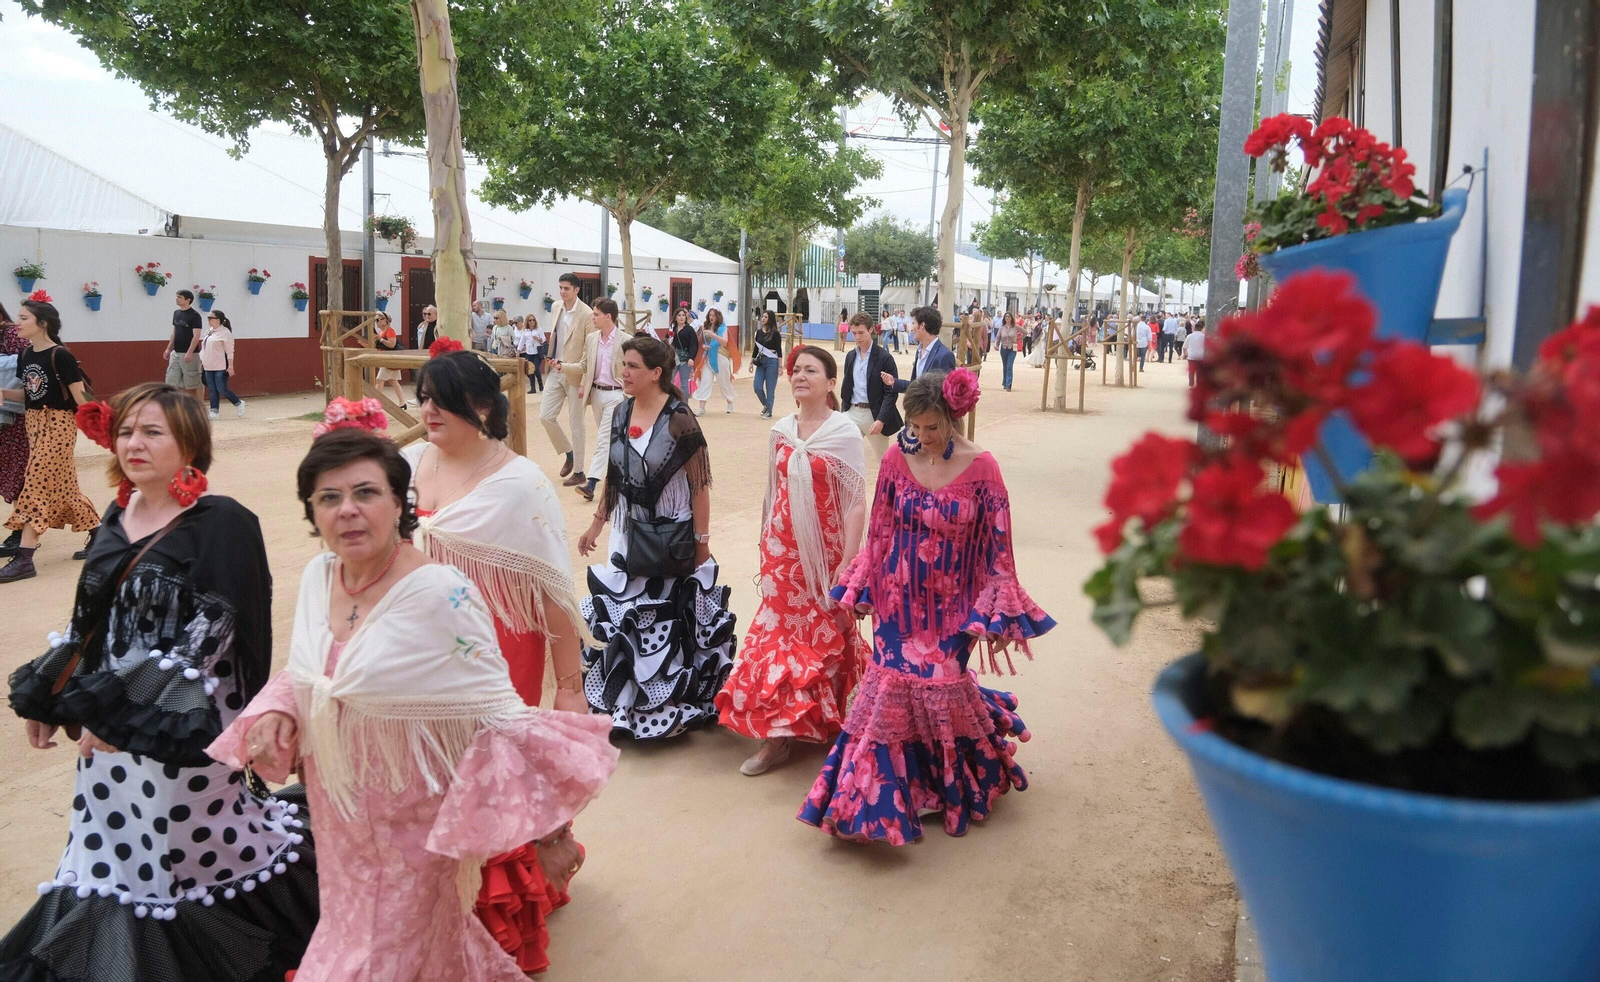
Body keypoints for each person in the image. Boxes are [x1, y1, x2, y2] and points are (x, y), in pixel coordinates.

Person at [208, 427, 617, 982]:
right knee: (408, 949)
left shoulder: (442, 593)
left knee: (376, 959)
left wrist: (550, 833)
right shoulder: (317, 577)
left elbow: (497, 712)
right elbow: (310, 670)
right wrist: (281, 710)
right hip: (340, 818)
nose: (347, 510)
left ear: (399, 503)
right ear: (311, 510)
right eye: (329, 498)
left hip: (415, 829)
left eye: (366, 493)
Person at [3, 382, 316, 978]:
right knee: (113, 851)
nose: (133, 443)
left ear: (190, 444)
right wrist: (49, 699)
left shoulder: (221, 520)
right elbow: (87, 620)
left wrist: (124, 716)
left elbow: (211, 632)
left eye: (152, 432)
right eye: (125, 431)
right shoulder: (119, 515)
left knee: (180, 850)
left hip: (182, 722)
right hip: (111, 717)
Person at [800, 369, 1055, 844]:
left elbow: (999, 549)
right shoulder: (898, 455)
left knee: (942, 684)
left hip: (954, 606)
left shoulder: (984, 467)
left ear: (954, 417)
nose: (922, 436)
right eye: (914, 426)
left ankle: (943, 785)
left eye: (932, 427)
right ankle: (875, 802)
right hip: (898, 600)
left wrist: (995, 613)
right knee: (891, 694)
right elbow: (879, 531)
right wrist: (863, 587)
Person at [402, 353, 596, 974]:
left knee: (485, 774)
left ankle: (510, 893)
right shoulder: (406, 463)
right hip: (417, 651)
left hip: (494, 651)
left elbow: (552, 593)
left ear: (481, 406)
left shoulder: (521, 483)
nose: (426, 409)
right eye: (423, 396)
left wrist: (569, 687)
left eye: (441, 398)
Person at [716, 345, 869, 775]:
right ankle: (776, 738)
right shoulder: (781, 430)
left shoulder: (845, 432)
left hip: (826, 557)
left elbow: (856, 501)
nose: (800, 376)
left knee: (828, 634)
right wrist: (766, 539)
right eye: (795, 370)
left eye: (811, 370)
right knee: (779, 637)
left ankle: (837, 718)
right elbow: (773, 490)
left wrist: (850, 559)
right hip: (783, 554)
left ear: (831, 382)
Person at [576, 336, 736, 739]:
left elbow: (699, 485)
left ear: (656, 373)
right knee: (627, 615)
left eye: (631, 366)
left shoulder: (681, 417)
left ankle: (673, 703)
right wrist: (598, 522)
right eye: (623, 364)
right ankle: (625, 706)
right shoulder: (619, 412)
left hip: (671, 531)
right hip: (628, 532)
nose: (623, 373)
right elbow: (617, 473)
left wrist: (701, 543)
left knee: (664, 614)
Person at [0, 293, 100, 582]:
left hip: (58, 424)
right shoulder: (26, 354)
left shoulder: (61, 355)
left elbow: (82, 396)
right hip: (33, 423)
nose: (16, 323)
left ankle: (24, 558)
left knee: (35, 484)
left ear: (42, 324)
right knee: (65, 489)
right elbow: (29, 392)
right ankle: (99, 533)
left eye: (23, 318)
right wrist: (5, 394)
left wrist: (104, 424)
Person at [541, 273, 595, 488]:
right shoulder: (556, 307)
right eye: (561, 287)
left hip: (576, 373)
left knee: (576, 425)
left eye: (566, 288)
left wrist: (584, 381)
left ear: (576, 290)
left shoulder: (588, 314)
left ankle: (580, 471)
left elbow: (589, 350)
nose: (562, 291)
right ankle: (569, 452)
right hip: (555, 369)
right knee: (545, 416)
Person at [576, 298, 627, 503]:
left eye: (596, 314)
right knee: (614, 440)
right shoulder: (591, 338)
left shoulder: (626, 340)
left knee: (604, 439)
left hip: (616, 394)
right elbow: (584, 366)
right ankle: (625, 477)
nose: (593, 317)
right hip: (596, 394)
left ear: (608, 317)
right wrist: (562, 367)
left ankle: (592, 483)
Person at [839, 313, 901, 457]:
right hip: (852, 413)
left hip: (875, 414)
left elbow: (891, 392)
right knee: (845, 457)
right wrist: (844, 411)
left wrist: (881, 419)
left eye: (861, 332)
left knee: (883, 460)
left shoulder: (884, 357)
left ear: (871, 330)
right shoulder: (850, 356)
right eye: (854, 333)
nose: (857, 337)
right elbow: (847, 386)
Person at [0, 302, 29, 531]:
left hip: (17, 417)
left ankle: (20, 532)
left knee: (18, 475)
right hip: (5, 416)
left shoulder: (10, 332)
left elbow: (27, 364)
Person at [883, 305, 956, 395]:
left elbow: (944, 394)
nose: (912, 328)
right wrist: (894, 382)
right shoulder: (919, 351)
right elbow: (916, 386)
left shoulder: (944, 355)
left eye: (914, 323)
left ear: (922, 325)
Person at [197, 309, 246, 420]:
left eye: (211, 318)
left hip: (220, 365)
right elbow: (204, 348)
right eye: (208, 318)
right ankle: (214, 411)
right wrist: (202, 362)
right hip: (208, 365)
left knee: (221, 388)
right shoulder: (209, 331)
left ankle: (238, 403)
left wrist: (230, 366)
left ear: (218, 320)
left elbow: (230, 351)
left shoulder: (226, 333)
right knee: (212, 389)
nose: (208, 320)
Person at [692, 307, 735, 415]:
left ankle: (730, 402)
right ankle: (701, 408)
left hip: (720, 357)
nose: (711, 317)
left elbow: (724, 342)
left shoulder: (723, 328)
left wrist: (713, 335)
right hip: (708, 358)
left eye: (714, 315)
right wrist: (703, 346)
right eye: (710, 315)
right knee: (705, 382)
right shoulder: (705, 327)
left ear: (718, 316)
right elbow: (701, 342)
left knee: (723, 382)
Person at [163, 289, 204, 400]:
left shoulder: (195, 315)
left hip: (190, 353)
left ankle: (199, 405)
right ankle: (179, 404)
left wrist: (190, 352)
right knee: (172, 380)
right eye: (177, 297)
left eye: (180, 297)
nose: (177, 299)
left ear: (188, 299)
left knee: (194, 381)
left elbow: (196, 336)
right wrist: (168, 349)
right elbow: (174, 333)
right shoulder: (176, 313)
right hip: (176, 352)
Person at [751, 309, 785, 419]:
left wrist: (780, 366)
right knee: (757, 387)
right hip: (761, 361)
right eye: (762, 317)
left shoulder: (775, 333)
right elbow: (756, 348)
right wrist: (751, 362)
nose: (763, 319)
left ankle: (769, 411)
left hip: (772, 361)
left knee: (770, 388)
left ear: (770, 319)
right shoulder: (759, 332)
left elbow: (779, 350)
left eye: (765, 317)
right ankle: (766, 405)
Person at [371, 310, 409, 409]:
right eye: (376, 320)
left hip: (388, 360)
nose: (377, 322)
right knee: (394, 381)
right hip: (385, 359)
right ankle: (402, 402)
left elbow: (392, 344)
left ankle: (376, 403)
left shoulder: (389, 330)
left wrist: (380, 339)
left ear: (385, 320)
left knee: (379, 381)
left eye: (378, 319)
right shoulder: (381, 332)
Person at [671, 305, 700, 397]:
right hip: (674, 358)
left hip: (685, 359)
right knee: (670, 381)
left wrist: (692, 358)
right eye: (679, 315)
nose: (681, 317)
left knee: (684, 384)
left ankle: (684, 405)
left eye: (683, 315)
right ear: (675, 318)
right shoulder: (673, 329)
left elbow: (694, 345)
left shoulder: (689, 329)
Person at [517, 313, 545, 394]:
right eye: (530, 320)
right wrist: (518, 351)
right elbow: (522, 341)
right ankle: (533, 387)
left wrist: (538, 339)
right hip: (529, 352)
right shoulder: (525, 331)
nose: (532, 321)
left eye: (533, 320)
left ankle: (540, 383)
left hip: (537, 352)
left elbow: (543, 340)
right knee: (530, 370)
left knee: (536, 369)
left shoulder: (539, 330)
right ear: (527, 322)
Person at [996, 311, 1021, 391]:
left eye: (1009, 317)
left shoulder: (1016, 327)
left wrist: (1018, 339)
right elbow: (998, 337)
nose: (1007, 318)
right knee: (1005, 366)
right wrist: (996, 344)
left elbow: (1025, 332)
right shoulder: (1002, 327)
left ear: (1011, 318)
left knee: (1009, 366)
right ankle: (1005, 382)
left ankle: (1009, 384)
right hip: (1004, 348)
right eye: (1006, 317)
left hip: (1012, 349)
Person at [1184, 320, 1206, 387]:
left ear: (1194, 328)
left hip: (1191, 356)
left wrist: (1185, 354)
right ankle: (1199, 385)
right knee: (1199, 372)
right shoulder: (1204, 336)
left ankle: (1191, 385)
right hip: (1201, 356)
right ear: (1202, 328)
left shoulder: (1189, 336)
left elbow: (1184, 347)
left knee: (1191, 372)